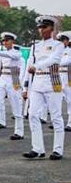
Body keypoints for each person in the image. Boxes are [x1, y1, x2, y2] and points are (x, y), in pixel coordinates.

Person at [22, 16, 64, 160]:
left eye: (44, 27)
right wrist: (25, 86)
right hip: (37, 82)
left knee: (56, 116)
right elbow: (28, 66)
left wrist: (37, 66)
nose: (41, 30)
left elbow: (54, 60)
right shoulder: (35, 46)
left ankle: (58, 150)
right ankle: (37, 148)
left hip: (52, 80)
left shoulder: (58, 45)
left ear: (51, 28)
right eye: (40, 27)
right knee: (33, 115)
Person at [57, 31, 71, 131]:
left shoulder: (69, 51)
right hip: (57, 76)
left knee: (70, 101)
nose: (62, 42)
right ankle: (57, 122)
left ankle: (70, 123)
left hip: (68, 77)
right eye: (60, 40)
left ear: (67, 41)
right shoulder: (56, 51)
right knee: (56, 99)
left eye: (64, 40)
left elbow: (67, 61)